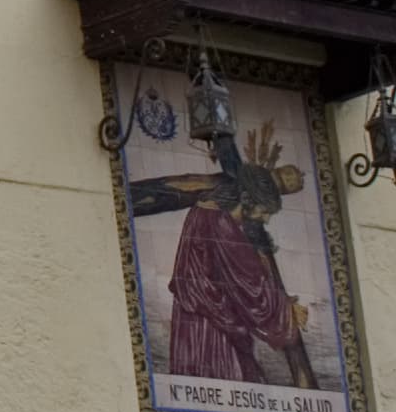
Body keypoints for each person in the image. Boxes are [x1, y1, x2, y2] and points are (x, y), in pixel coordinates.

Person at [129, 119, 315, 386]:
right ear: (249, 202)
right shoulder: (223, 229)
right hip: (213, 327)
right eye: (263, 212)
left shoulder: (207, 213)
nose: (263, 220)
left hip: (197, 319)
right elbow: (249, 288)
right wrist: (286, 312)